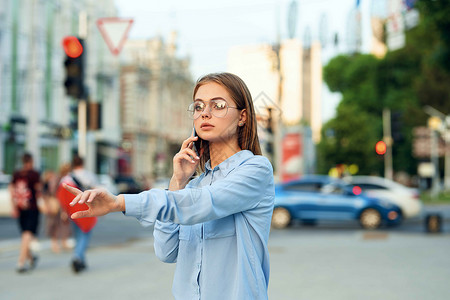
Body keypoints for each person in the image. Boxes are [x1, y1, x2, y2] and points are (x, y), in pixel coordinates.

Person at [64, 72, 275, 299]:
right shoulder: (194, 187)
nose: (205, 113)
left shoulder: (256, 170)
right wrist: (177, 182)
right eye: (198, 106)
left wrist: (120, 202)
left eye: (218, 105)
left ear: (242, 116)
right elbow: (166, 251)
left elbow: (203, 204)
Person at [57, 156, 98, 273]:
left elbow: (61, 196)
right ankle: (77, 257)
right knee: (85, 235)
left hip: (73, 211)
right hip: (88, 210)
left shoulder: (66, 178)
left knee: (78, 235)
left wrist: (64, 211)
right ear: (83, 163)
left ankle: (81, 260)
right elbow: (96, 193)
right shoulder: (89, 176)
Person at [9, 153, 41, 273]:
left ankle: (31, 258)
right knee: (27, 235)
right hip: (31, 207)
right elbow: (39, 191)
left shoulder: (17, 174)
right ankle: (21, 262)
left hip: (20, 207)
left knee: (25, 236)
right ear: (31, 161)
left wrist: (14, 207)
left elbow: (12, 190)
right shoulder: (34, 174)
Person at [43, 166, 72, 253]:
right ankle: (57, 243)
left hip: (56, 205)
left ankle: (59, 243)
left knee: (58, 225)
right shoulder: (57, 181)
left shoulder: (54, 181)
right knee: (56, 225)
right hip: (55, 205)